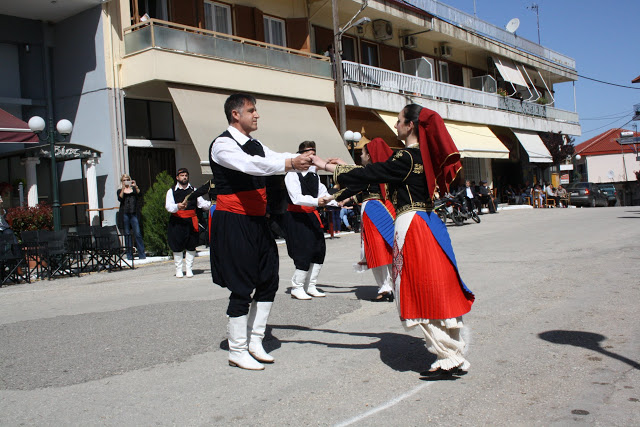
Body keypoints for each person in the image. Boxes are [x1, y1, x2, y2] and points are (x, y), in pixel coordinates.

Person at [314, 104, 475, 379]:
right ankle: (452, 353)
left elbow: (370, 174)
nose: (396, 126)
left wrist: (327, 166)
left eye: (399, 121)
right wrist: (343, 166)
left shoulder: (406, 157)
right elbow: (375, 171)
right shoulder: (422, 158)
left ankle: (448, 355)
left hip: (412, 225)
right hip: (430, 223)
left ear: (410, 125)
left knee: (414, 288)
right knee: (439, 286)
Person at [209, 93, 312, 370]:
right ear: (235, 114)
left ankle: (255, 340)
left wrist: (322, 163)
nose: (257, 115)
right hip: (233, 220)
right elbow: (251, 165)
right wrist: (291, 164)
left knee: (268, 279)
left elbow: (276, 156)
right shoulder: (222, 145)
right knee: (242, 286)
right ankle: (237, 349)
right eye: (252, 110)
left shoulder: (254, 144)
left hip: (257, 221)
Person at [283, 140, 338, 300]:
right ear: (300, 155)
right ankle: (297, 286)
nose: (311, 157)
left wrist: (337, 200)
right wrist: (317, 202)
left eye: (313, 154)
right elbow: (296, 198)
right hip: (296, 217)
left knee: (319, 250)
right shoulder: (292, 173)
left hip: (311, 216)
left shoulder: (314, 175)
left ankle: (311, 285)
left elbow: (323, 194)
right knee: (303, 251)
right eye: (308, 154)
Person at [351, 138, 396, 302]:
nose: (360, 156)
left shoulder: (368, 172)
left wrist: (337, 198)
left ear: (369, 156)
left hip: (373, 211)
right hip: (387, 209)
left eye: (362, 153)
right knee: (389, 249)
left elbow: (355, 190)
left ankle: (386, 287)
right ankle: (392, 286)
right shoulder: (387, 172)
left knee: (376, 251)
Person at [165, 168, 211, 278]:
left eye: (186, 175)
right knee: (177, 245)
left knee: (191, 245)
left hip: (191, 221)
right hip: (177, 221)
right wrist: (177, 206)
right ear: (177, 177)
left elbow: (202, 204)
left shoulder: (194, 190)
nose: (184, 177)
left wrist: (213, 203)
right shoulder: (172, 191)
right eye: (182, 175)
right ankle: (179, 269)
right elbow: (168, 206)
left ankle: (189, 268)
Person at [117, 174, 146, 260]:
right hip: (125, 214)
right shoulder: (120, 190)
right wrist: (123, 188)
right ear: (122, 181)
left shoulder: (133, 189)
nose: (126, 181)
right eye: (124, 180)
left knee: (137, 233)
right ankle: (129, 255)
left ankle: (142, 254)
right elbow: (120, 198)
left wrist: (135, 186)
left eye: (127, 179)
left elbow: (140, 195)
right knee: (127, 234)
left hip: (134, 213)